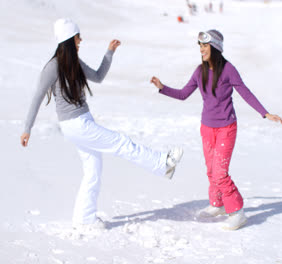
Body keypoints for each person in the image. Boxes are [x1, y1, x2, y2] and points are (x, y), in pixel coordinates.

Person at [20, 18, 183, 231]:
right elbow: (37, 96)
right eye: (78, 37)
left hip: (81, 122)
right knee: (121, 143)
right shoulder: (53, 67)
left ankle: (84, 218)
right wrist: (27, 129)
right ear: (69, 39)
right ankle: (163, 164)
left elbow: (98, 76)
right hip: (76, 124)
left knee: (92, 170)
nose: (81, 40)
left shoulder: (74, 62)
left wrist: (109, 52)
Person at [150, 29, 282, 230]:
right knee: (212, 171)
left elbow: (245, 92)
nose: (202, 50)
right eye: (200, 46)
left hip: (226, 128)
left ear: (215, 47)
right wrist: (162, 87)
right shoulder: (199, 71)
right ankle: (217, 204)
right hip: (206, 128)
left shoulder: (229, 70)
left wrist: (265, 113)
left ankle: (237, 212)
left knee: (220, 173)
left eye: (205, 46)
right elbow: (184, 94)